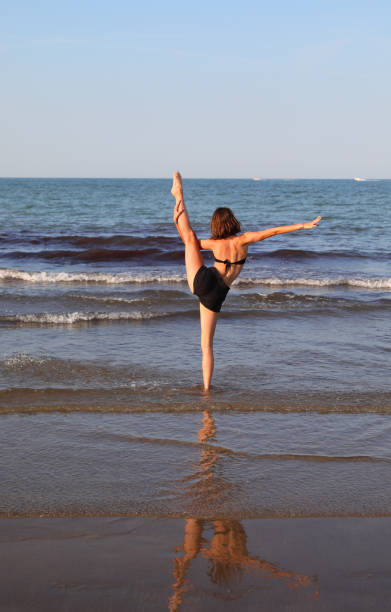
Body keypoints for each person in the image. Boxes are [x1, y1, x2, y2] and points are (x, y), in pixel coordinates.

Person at [171, 171, 321, 392]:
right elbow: (275, 231)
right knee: (207, 346)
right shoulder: (245, 239)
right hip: (216, 294)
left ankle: (179, 197)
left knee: (190, 238)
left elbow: (187, 240)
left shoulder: (215, 243)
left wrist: (177, 222)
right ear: (232, 221)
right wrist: (303, 225)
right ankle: (206, 388)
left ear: (216, 225)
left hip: (202, 280)